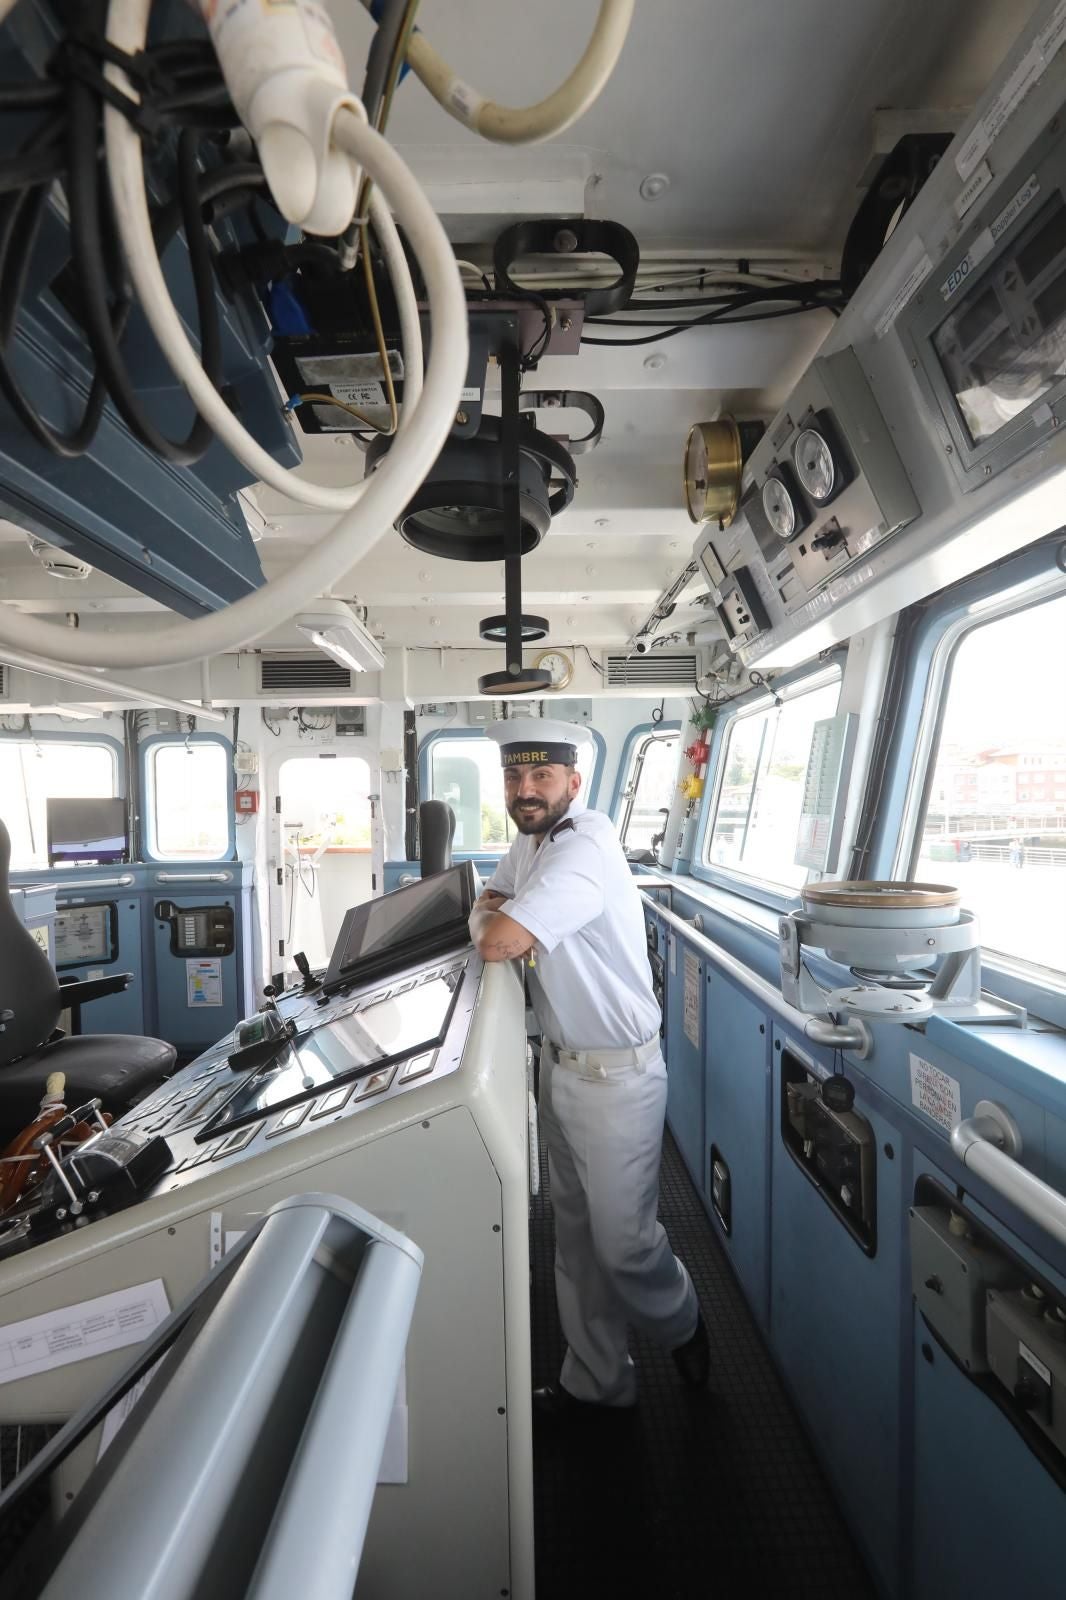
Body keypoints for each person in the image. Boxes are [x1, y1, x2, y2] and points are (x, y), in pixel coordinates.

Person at [468, 718, 708, 1415]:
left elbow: (499, 936)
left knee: (625, 1244)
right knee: (573, 1236)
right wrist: (491, 916)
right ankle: (598, 1383)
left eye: (541, 776)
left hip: (617, 1079)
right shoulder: (533, 840)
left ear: (574, 782)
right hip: (562, 1064)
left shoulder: (580, 848)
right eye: (515, 777)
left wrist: (490, 922)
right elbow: (491, 899)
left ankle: (686, 1323)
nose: (525, 789)